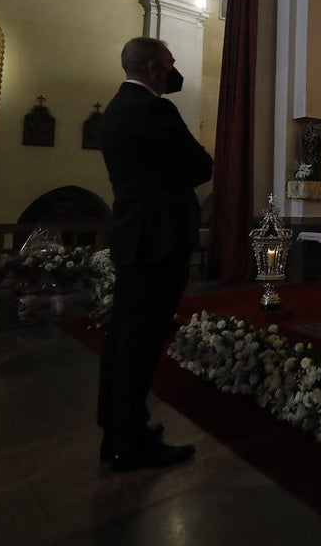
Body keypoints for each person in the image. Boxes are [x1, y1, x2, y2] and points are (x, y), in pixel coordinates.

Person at [97, 37, 213, 471]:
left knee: (123, 336)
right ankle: (130, 441)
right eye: (169, 63)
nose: (172, 71)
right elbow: (200, 166)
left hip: (132, 235)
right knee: (142, 340)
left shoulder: (115, 110)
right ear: (151, 68)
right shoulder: (154, 110)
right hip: (161, 239)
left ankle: (118, 428)